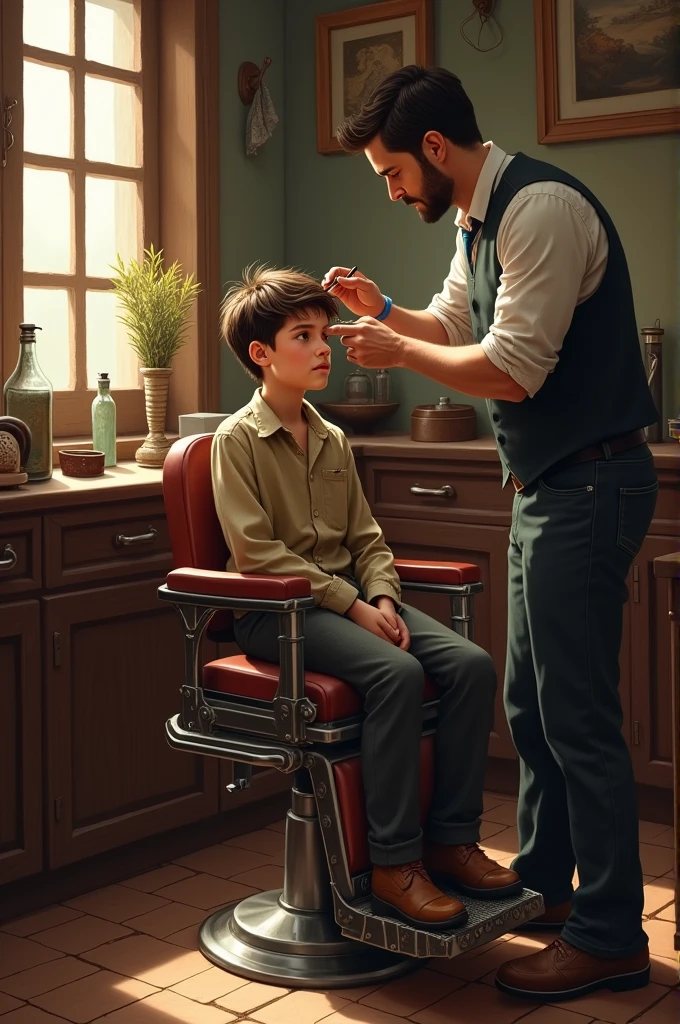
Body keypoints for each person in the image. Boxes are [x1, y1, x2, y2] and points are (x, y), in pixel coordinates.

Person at [322, 65, 658, 1002]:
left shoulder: (539, 209)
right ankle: (550, 886)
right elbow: (453, 323)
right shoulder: (478, 220)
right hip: (548, 486)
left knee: (577, 713)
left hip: (589, 484)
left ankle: (610, 933)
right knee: (531, 703)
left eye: (392, 172)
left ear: (435, 149)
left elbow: (511, 371)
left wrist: (398, 351)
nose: (391, 191)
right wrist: (382, 314)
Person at [211, 264, 521, 933]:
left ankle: (452, 841)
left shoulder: (331, 437)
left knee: (471, 666)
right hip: (280, 617)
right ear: (261, 355)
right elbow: (260, 555)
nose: (325, 347)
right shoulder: (234, 442)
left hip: (349, 602)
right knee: (397, 673)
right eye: (305, 335)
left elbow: (368, 537)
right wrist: (353, 606)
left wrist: (379, 593)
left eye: (325, 332)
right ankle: (394, 864)